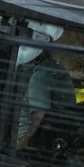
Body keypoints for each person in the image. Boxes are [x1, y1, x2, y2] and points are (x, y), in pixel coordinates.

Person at [14, 21, 75, 150]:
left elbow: (38, 120)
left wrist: (21, 144)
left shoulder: (41, 76)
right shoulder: (54, 69)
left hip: (34, 145)